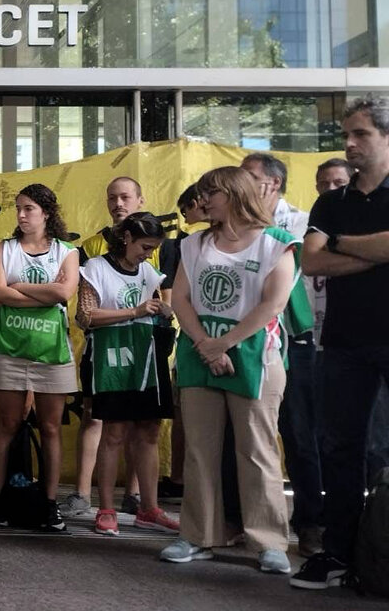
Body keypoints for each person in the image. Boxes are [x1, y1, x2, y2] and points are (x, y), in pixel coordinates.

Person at [162, 165, 296, 575]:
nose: (203, 202)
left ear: (234, 194)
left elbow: (273, 303)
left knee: (257, 450)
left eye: (210, 194)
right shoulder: (194, 244)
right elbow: (181, 299)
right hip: (200, 355)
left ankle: (269, 542)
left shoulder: (276, 243)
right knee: (200, 451)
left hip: (255, 358)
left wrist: (226, 342)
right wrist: (206, 344)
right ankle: (198, 535)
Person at [291, 95, 389, 589]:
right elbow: (310, 262)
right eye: (346, 136)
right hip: (345, 343)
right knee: (340, 449)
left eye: (361, 134)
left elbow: (327, 251)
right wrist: (377, 249)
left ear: (386, 137)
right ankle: (339, 554)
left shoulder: (338, 217)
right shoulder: (331, 201)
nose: (349, 144)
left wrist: (339, 242)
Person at [76, 212, 178, 536]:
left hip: (146, 357)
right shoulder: (96, 268)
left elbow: (157, 307)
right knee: (114, 433)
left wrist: (165, 310)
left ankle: (149, 507)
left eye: (153, 248)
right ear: (126, 238)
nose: (148, 253)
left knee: (149, 431)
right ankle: (105, 508)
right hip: (112, 357)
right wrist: (133, 311)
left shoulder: (149, 272)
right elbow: (85, 316)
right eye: (145, 246)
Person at [0, 183, 79, 531]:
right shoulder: (5, 248)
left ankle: (50, 502)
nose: (21, 216)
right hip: (9, 350)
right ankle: (2, 497)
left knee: (51, 427)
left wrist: (18, 288)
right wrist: (43, 293)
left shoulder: (67, 251)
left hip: (52, 353)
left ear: (47, 213)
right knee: (6, 424)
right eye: (19, 209)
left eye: (29, 209)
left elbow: (64, 293)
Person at [66, 177, 162, 517]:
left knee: (141, 422)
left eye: (125, 197)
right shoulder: (92, 247)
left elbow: (161, 296)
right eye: (112, 197)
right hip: (104, 346)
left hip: (147, 347)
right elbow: (85, 312)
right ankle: (81, 492)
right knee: (94, 417)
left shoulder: (159, 244)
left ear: (140, 199)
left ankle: (135, 495)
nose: (118, 203)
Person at [241, 152, 319, 556]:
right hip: (245, 340)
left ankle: (310, 524)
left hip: (292, 340)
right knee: (246, 436)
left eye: (247, 177)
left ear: (271, 184)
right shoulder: (234, 226)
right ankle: (241, 521)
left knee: (299, 435)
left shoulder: (301, 222)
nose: (240, 184)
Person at [157, 184, 210, 500]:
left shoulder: (258, 241)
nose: (186, 218)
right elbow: (178, 299)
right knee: (187, 415)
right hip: (192, 341)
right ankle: (182, 480)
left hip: (234, 342)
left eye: (186, 211)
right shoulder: (186, 247)